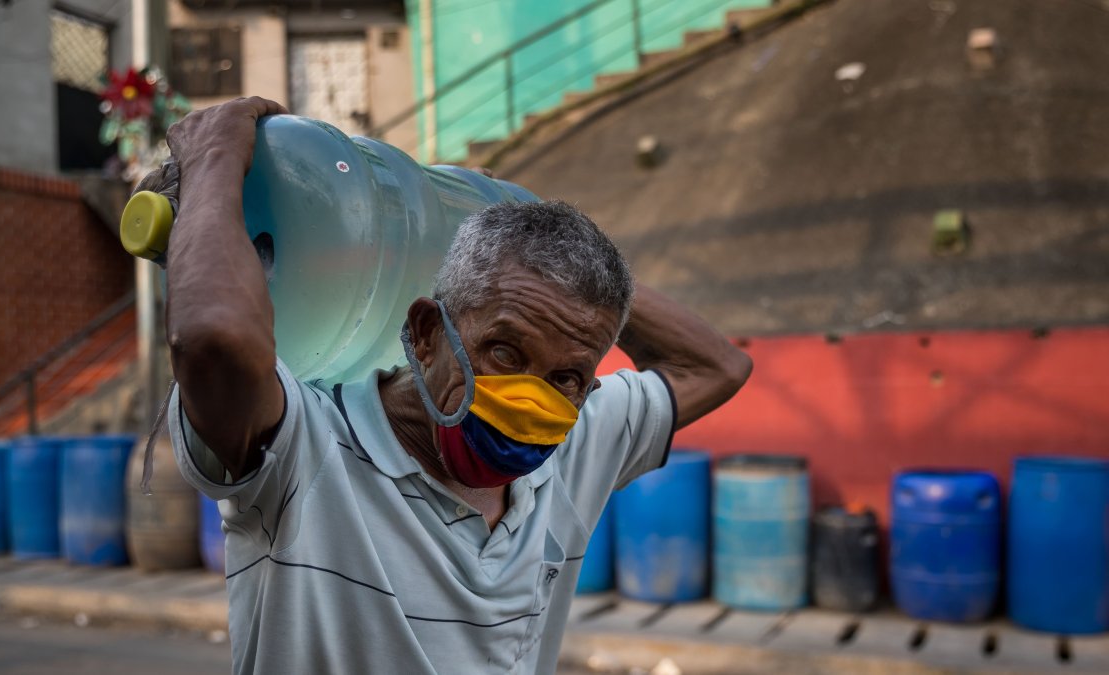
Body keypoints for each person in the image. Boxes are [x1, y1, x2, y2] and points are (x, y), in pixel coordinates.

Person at [164, 97, 753, 674]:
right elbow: (213, 337)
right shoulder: (303, 446)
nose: (530, 400)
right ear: (425, 333)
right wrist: (214, 155)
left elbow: (717, 366)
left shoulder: (574, 446)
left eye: (567, 377)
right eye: (504, 352)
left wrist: (514, 214)